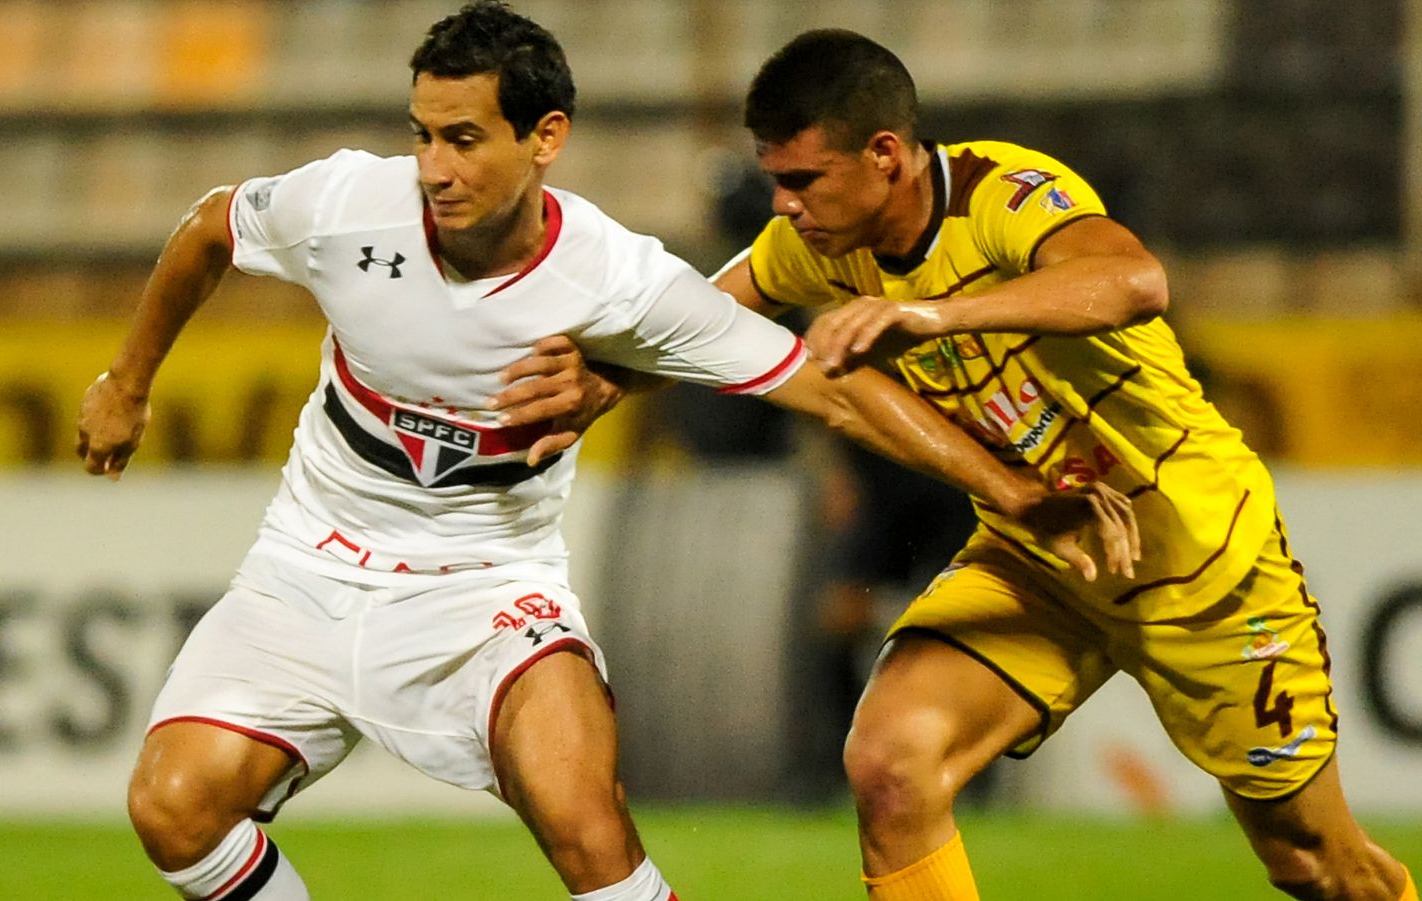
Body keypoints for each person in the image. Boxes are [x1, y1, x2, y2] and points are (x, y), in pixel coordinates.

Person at [74, 6, 1137, 901]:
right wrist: (128, 384)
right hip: (308, 559)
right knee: (174, 811)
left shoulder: (618, 282)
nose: (433, 169)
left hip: (483, 583)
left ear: (545, 137)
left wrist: (1010, 489)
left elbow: (831, 384)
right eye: (422, 135)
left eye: (464, 139)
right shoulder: (347, 204)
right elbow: (212, 226)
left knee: (586, 827)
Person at [492, 28, 1416, 901]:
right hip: (1039, 551)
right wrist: (598, 378)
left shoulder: (1002, 196)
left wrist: (931, 315)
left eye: (805, 179)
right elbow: (698, 323)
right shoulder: (817, 246)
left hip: (1193, 553)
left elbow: (1135, 282)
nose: (784, 205)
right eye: (776, 181)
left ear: (885, 155)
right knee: (892, 764)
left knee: (1311, 861)